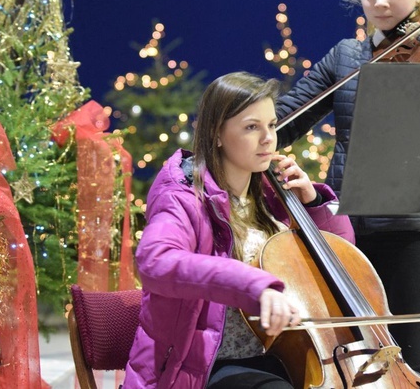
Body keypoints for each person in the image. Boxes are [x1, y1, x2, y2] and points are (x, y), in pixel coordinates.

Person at [275, 0, 420, 377]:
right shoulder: (345, 56)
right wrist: (240, 124)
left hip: (415, 227)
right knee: (346, 353)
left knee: (407, 360)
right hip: (345, 225)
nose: (381, 3)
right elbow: (286, 120)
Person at [123, 72, 355, 388]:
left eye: (271, 125)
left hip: (281, 357)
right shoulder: (181, 195)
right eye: (251, 127)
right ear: (217, 133)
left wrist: (312, 205)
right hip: (205, 367)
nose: (268, 138)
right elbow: (155, 262)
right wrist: (254, 285)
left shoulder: (272, 197)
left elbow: (343, 266)